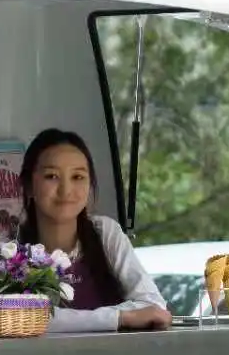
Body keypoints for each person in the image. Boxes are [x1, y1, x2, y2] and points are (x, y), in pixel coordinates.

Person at [14, 127, 171, 333]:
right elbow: (24, 317)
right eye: (52, 176)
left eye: (77, 177)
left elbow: (154, 306)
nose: (66, 190)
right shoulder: (10, 251)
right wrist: (119, 318)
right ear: (28, 185)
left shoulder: (105, 233)